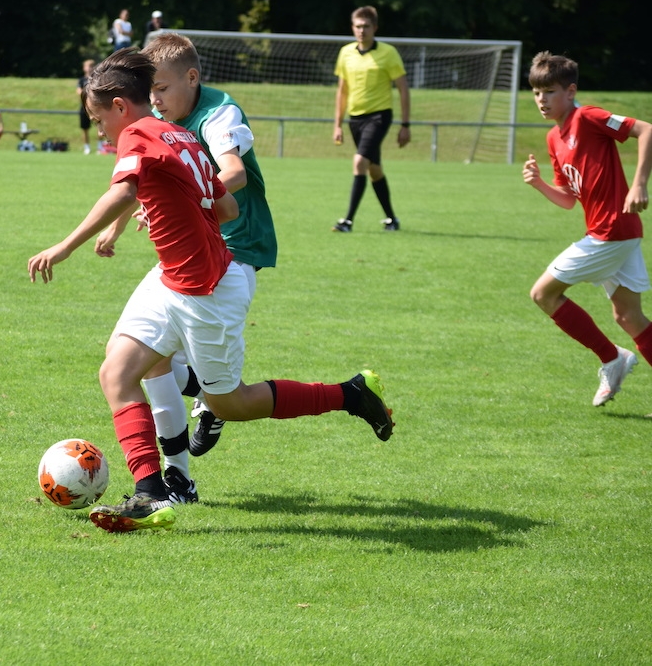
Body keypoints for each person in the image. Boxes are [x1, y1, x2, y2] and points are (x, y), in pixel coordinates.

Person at [28, 49, 394, 533]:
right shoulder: (180, 135)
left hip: (206, 291)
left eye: (98, 121)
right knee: (116, 372)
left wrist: (64, 246)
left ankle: (350, 394)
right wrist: (178, 208)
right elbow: (228, 210)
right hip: (175, 279)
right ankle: (151, 493)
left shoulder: (138, 133)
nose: (100, 132)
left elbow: (123, 191)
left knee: (230, 404)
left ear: (119, 106)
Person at [93, 31, 278, 504]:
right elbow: (144, 180)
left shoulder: (219, 114)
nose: (154, 100)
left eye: (162, 89)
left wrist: (194, 195)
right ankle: (176, 476)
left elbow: (232, 174)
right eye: (150, 91)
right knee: (142, 362)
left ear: (192, 78)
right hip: (194, 250)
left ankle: (204, 413)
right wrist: (117, 227)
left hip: (235, 247)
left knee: (157, 368)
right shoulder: (161, 121)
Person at [522, 51, 652, 407]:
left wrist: (639, 184)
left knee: (543, 294)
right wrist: (539, 184)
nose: (542, 100)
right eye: (536, 92)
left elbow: (646, 130)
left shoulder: (588, 117)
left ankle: (612, 357)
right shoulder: (554, 138)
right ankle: (615, 357)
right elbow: (568, 199)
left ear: (570, 91)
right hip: (614, 233)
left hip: (612, 231)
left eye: (550, 91)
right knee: (628, 316)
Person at [331, 5, 410, 233]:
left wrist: (405, 125)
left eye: (366, 26)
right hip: (355, 119)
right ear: (352, 28)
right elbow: (342, 91)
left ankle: (347, 221)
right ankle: (392, 219)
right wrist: (337, 124)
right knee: (374, 170)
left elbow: (403, 89)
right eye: (358, 26)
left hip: (379, 116)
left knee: (359, 162)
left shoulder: (388, 53)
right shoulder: (346, 53)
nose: (361, 30)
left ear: (375, 27)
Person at [77, 60, 95, 154]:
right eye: (89, 66)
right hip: (84, 108)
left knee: (101, 127)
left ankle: (100, 146)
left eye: (92, 66)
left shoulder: (96, 79)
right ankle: (87, 147)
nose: (90, 68)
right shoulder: (81, 80)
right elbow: (79, 92)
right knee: (85, 128)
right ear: (84, 68)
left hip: (95, 107)